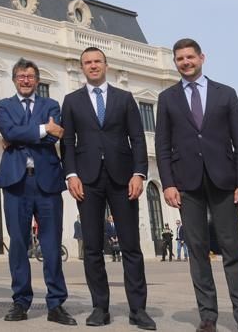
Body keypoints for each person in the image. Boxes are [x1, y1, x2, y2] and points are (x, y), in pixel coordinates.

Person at [156, 38, 238, 332]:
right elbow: (162, 145)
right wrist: (168, 183)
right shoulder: (167, 99)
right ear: (175, 62)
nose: (185, 62)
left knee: (232, 251)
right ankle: (208, 317)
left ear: (202, 57)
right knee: (198, 251)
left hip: (224, 180)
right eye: (180, 58)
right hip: (187, 184)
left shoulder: (225, 94)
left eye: (190, 56)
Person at [61, 47, 155, 330]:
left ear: (106, 65)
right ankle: (99, 307)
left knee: (131, 246)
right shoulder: (72, 101)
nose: (93, 66)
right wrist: (71, 174)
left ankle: (138, 310)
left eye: (97, 61)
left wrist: (139, 173)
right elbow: (67, 142)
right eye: (87, 62)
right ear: (82, 68)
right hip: (87, 180)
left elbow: (137, 138)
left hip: (123, 178)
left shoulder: (124, 99)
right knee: (92, 247)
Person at [0, 58, 75, 326]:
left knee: (52, 244)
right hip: (16, 182)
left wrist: (23, 135)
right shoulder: (4, 106)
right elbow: (8, 131)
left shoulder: (51, 105)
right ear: (14, 79)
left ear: (37, 80)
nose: (26, 80)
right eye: (21, 76)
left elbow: (56, 136)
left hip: (47, 182)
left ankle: (56, 303)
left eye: (30, 76)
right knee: (18, 243)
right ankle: (21, 301)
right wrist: (42, 129)